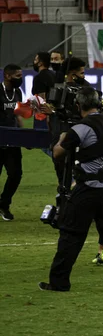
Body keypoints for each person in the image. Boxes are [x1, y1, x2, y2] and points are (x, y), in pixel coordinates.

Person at [38, 86, 103, 292]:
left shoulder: (80, 129)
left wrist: (63, 133)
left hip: (88, 187)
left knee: (71, 233)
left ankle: (59, 282)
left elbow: (57, 153)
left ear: (78, 106)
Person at [0, 64, 24, 221]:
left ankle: (4, 204)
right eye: (17, 76)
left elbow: (18, 115)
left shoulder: (17, 92)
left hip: (13, 140)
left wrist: (23, 135)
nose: (20, 79)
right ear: (7, 76)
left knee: (16, 174)